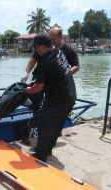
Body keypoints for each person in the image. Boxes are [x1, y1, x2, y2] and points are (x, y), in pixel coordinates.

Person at [25, 34, 76, 162]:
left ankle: (41, 155)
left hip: (58, 99)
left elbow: (38, 88)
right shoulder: (58, 51)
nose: (36, 51)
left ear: (42, 47)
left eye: (36, 48)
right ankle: (48, 149)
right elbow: (53, 74)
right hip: (70, 95)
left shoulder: (45, 62)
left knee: (43, 123)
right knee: (56, 125)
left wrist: (28, 90)